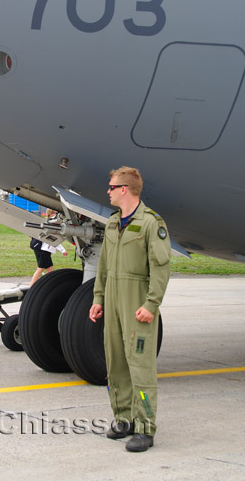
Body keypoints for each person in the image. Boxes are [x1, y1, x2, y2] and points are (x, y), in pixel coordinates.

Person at [89, 166, 171, 453]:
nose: (108, 191)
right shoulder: (112, 224)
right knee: (115, 363)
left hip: (137, 302)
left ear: (124, 189)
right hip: (112, 300)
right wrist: (98, 298)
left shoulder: (151, 224)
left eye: (111, 187)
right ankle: (123, 418)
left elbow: (161, 268)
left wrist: (151, 304)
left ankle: (145, 427)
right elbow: (103, 266)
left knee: (141, 368)